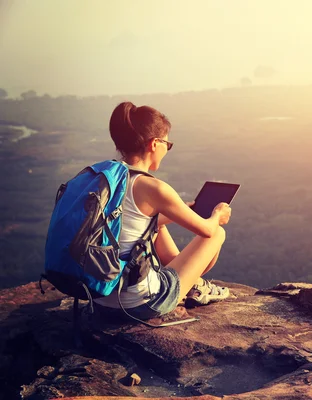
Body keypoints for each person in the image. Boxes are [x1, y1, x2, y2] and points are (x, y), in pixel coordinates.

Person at [93, 101, 232, 320]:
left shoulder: (107, 179)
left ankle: (191, 284)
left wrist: (177, 211)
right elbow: (206, 230)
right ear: (154, 144)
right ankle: (192, 287)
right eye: (167, 144)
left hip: (100, 298)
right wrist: (218, 215)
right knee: (217, 233)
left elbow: (130, 222)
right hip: (139, 304)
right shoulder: (153, 187)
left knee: (154, 223)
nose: (167, 150)